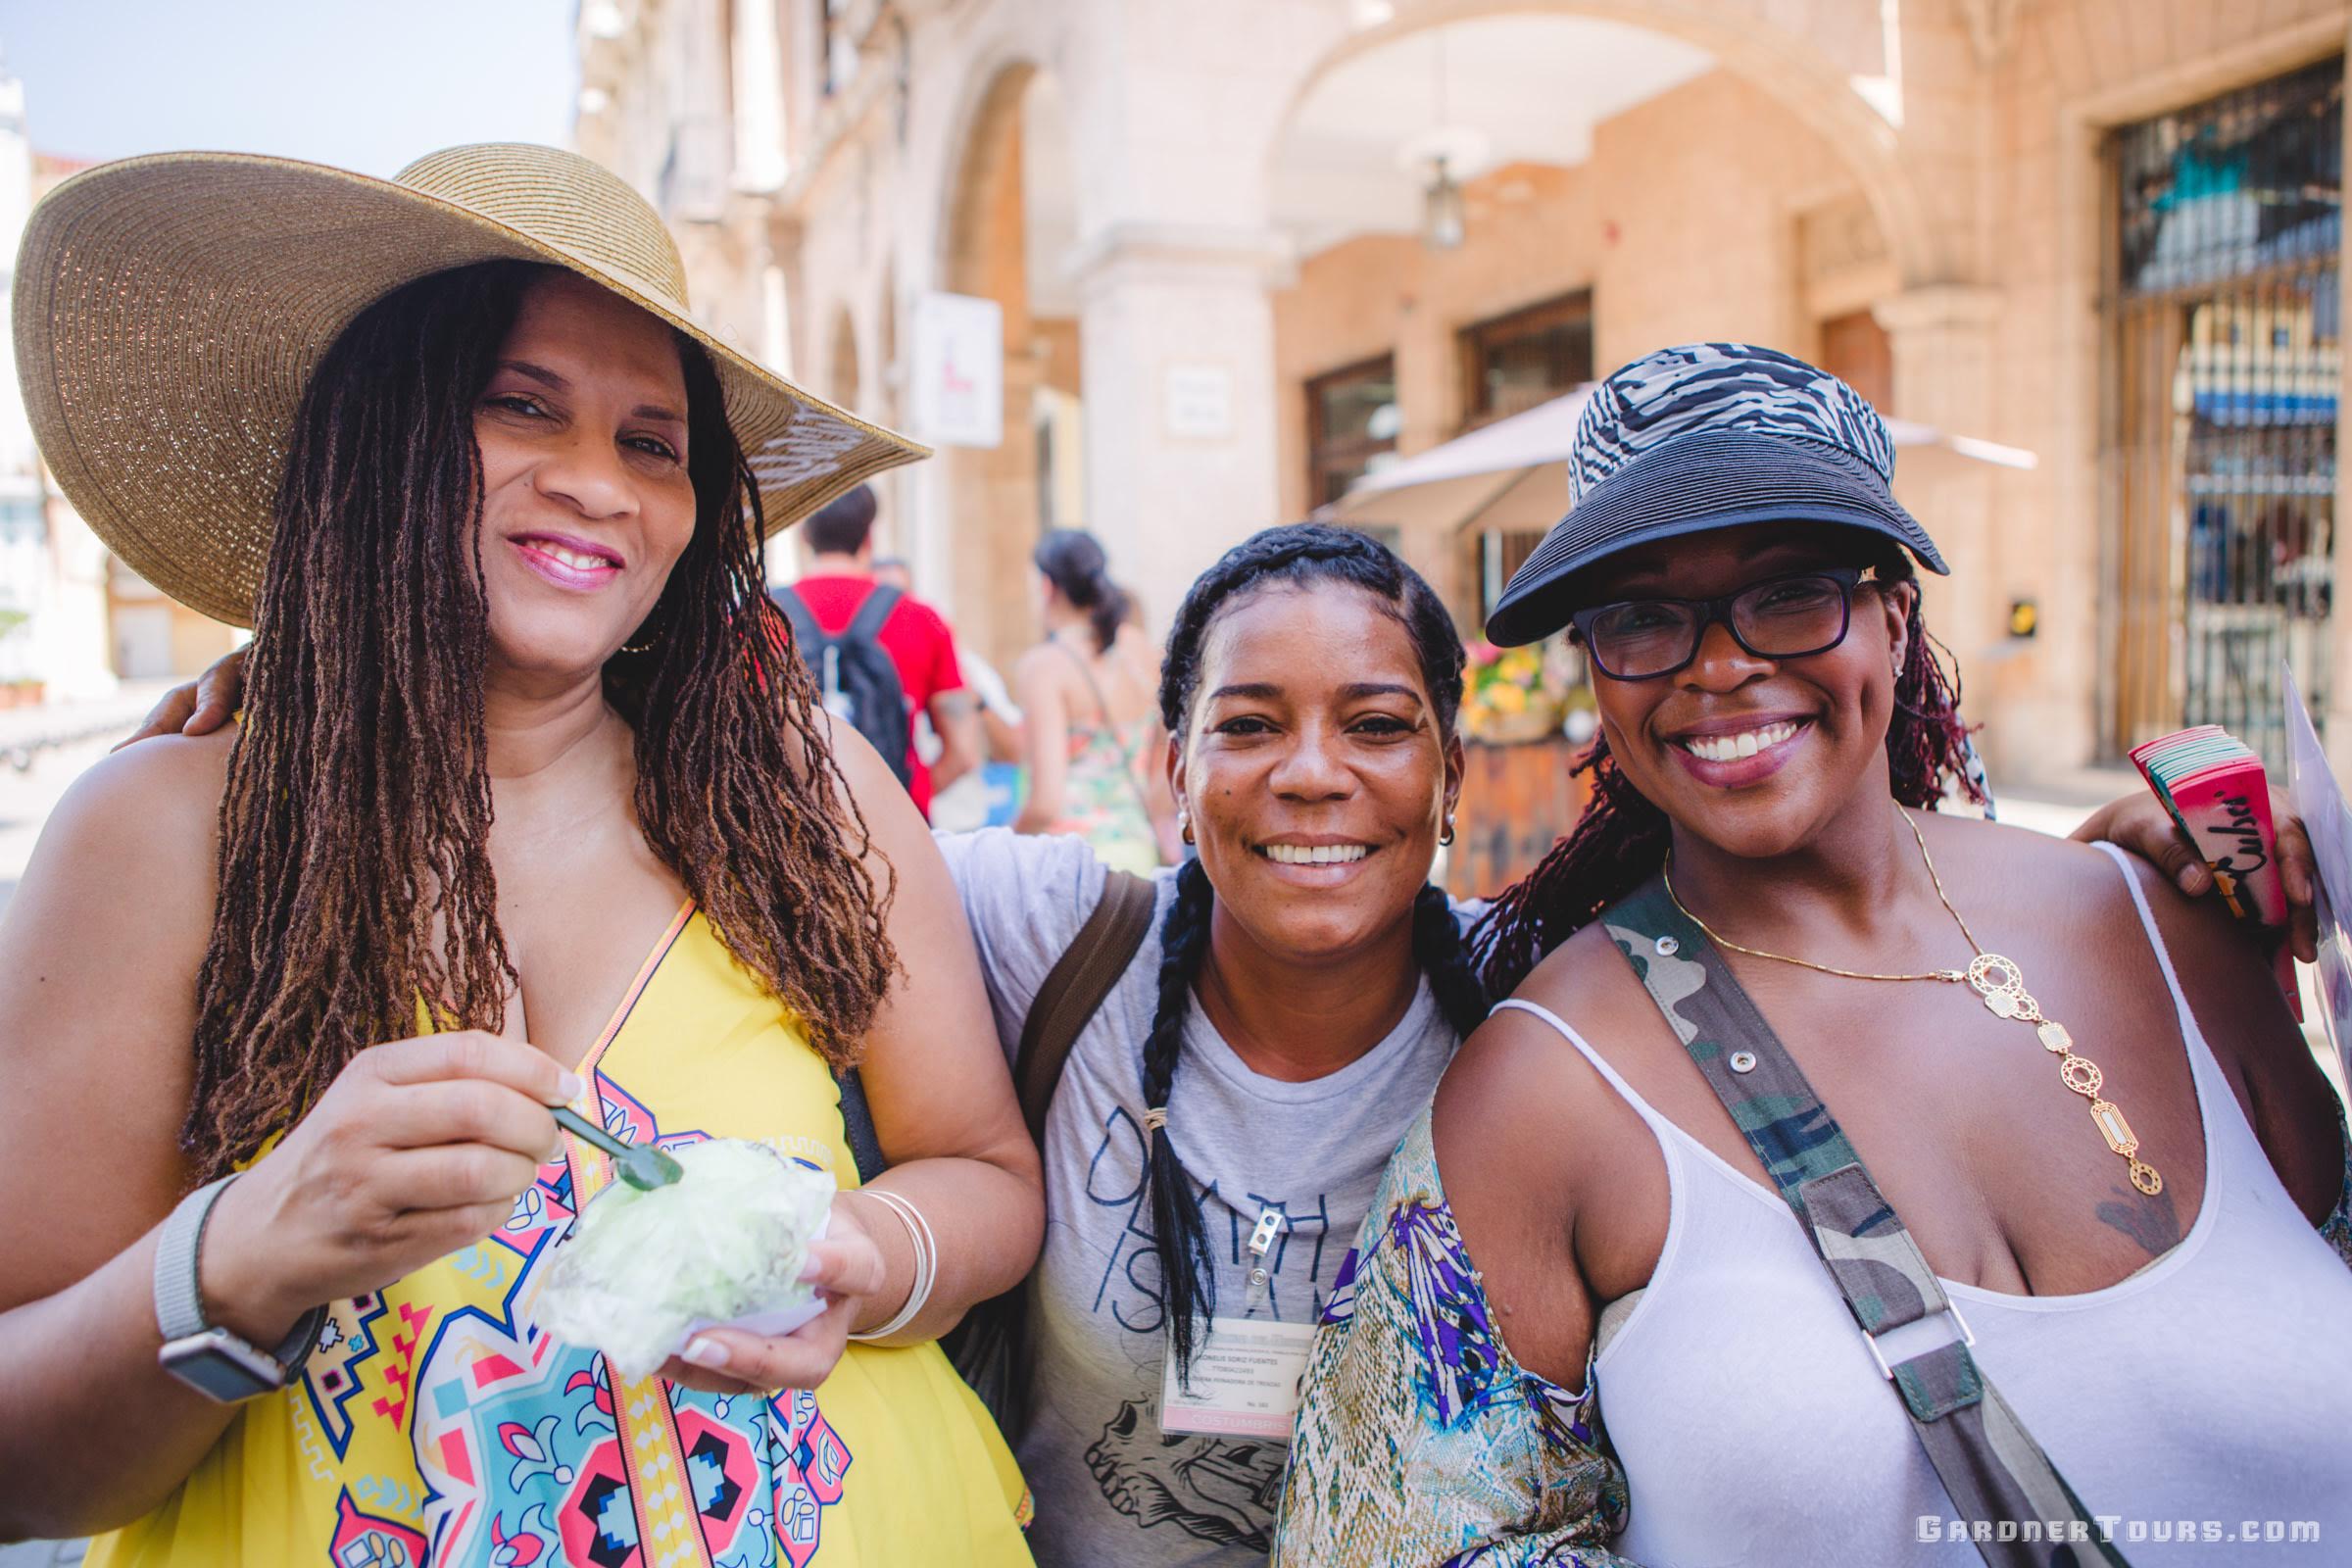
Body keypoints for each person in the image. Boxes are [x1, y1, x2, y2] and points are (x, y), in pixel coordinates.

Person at [127, 536, 2317, 1568]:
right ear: (1165, 776)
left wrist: (2139, 838)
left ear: (1456, 772)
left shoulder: (1584, 1039)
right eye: (1247, 725)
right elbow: (698, 780)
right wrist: (326, 660)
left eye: (1378, 724)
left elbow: (1888, 983)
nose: (1314, 777)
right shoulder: (1033, 935)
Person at [0, 144, 1041, 1566]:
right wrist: (244, 1253)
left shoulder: (810, 793)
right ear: (383, 438)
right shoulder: (169, 831)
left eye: (652, 442)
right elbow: (22, 1469)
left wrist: (872, 1259)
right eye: (521, 407)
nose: (598, 485)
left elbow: (983, 1172)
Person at [1273, 346, 2352, 1565]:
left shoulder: (2170, 931)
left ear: (1896, 617)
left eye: (1789, 591)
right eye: (1641, 617)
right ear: (1596, 676)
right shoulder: (1541, 1093)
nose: (1719, 664)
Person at [781, 484, 980, 818]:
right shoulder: (921, 619)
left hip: (786, 837)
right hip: (896, 839)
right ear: (869, 536)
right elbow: (964, 753)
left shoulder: (753, 617)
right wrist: (908, 799)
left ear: (803, 534)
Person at [1011, 528, 1174, 873]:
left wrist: (1003, 848)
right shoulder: (1142, 651)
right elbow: (1165, 764)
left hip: (1068, 865)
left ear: (1047, 586)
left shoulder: (1045, 667)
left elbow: (1045, 801)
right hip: (1137, 853)